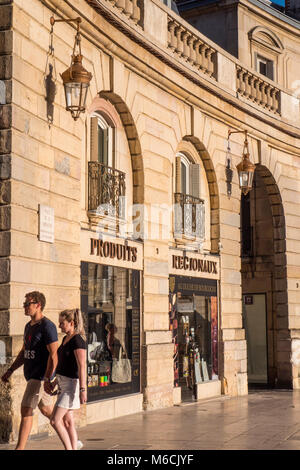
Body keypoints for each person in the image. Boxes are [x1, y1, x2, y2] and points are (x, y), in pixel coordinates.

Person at [1, 291, 58, 450]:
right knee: (47, 410)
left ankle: (19, 448)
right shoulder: (28, 326)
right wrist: (11, 370)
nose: (24, 307)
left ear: (38, 305)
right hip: (31, 375)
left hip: (39, 377)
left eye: (27, 304)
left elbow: (54, 354)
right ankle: (71, 436)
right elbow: (24, 352)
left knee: (26, 409)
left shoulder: (48, 326)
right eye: (24, 304)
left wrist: (49, 378)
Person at [50, 309, 87, 450]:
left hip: (71, 385)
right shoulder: (66, 339)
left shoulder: (78, 340)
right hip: (62, 383)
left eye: (62, 323)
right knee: (68, 420)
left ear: (72, 323)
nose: (59, 326)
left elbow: (82, 366)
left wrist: (83, 390)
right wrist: (54, 382)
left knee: (55, 420)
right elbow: (62, 364)